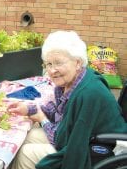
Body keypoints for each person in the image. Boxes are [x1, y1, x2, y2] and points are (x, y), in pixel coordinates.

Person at [7, 30, 127, 169]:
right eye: (49, 64)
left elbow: (64, 140)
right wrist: (29, 109)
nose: (52, 70)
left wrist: (42, 119)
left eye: (58, 63)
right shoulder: (70, 83)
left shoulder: (88, 93)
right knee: (29, 135)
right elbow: (61, 117)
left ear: (77, 62)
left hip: (101, 149)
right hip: (84, 138)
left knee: (26, 153)